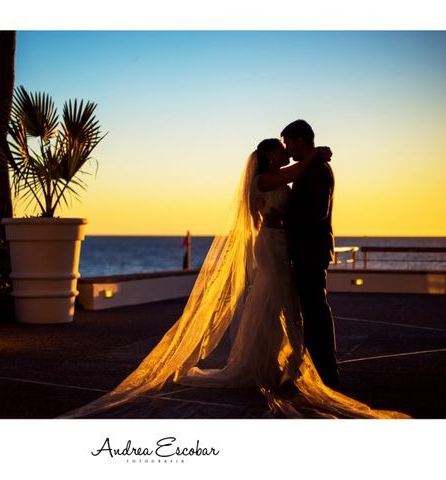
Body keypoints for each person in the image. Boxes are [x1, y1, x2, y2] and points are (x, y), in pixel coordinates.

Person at [59, 136, 407, 419]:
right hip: (271, 245)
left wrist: (313, 157)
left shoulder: (281, 173)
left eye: (287, 146)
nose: (284, 152)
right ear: (269, 154)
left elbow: (295, 177)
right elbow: (294, 173)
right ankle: (262, 368)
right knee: (274, 302)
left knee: (280, 304)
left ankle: (279, 364)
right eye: (280, 148)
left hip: (282, 243)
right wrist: (315, 153)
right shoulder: (265, 178)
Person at [282, 119, 339, 386]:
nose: (287, 148)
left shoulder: (316, 171)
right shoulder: (311, 167)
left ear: (300, 141)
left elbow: (315, 212)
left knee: (315, 311)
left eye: (288, 142)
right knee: (312, 309)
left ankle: (326, 371)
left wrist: (282, 218)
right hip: (308, 249)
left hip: (310, 250)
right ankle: (320, 369)